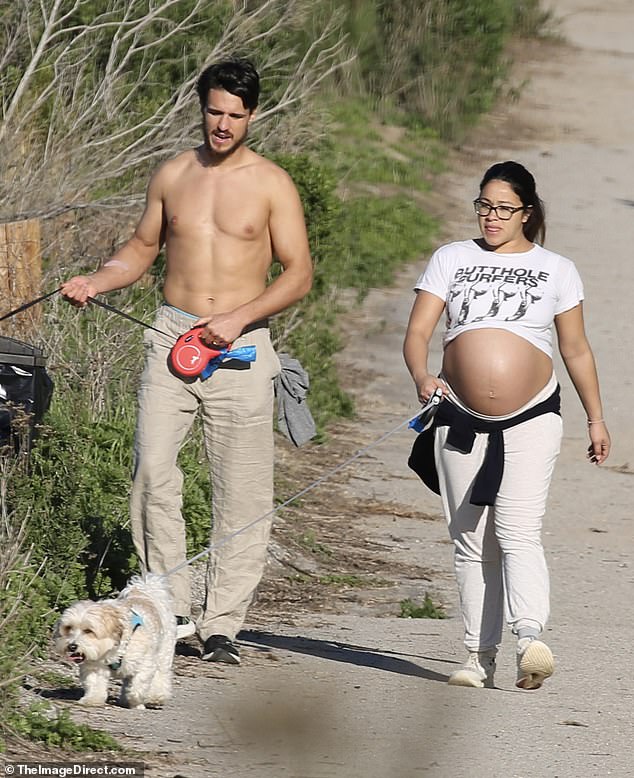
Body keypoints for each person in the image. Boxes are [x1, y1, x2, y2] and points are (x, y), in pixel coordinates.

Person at [61, 58, 313, 665]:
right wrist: (98, 280)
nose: (223, 125)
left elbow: (299, 274)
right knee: (152, 469)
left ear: (252, 115)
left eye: (235, 115)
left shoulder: (272, 183)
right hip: (170, 334)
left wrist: (239, 316)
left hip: (242, 344)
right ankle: (167, 607)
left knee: (242, 491)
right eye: (214, 111)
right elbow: (141, 249)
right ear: (200, 107)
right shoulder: (173, 174)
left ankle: (222, 622)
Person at [403, 160, 610, 690]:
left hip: (532, 417)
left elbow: (576, 349)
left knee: (518, 531)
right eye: (484, 206)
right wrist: (422, 375)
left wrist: (596, 418)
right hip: (458, 415)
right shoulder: (452, 257)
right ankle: (478, 656)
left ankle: (529, 639)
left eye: (503, 208)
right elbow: (419, 331)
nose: (491, 217)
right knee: (470, 541)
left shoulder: (556, 268)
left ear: (527, 212)